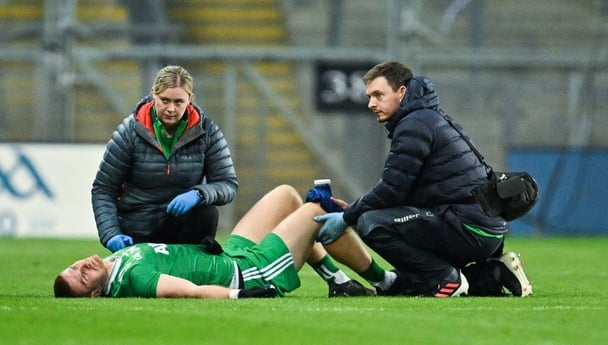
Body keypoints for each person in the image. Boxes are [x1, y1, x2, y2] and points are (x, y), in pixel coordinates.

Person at [314, 61, 533, 298]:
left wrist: (349, 216)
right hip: (485, 228)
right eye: (369, 96)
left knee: (371, 223)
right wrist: (355, 210)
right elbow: (407, 190)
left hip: (468, 226)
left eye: (378, 95)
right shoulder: (428, 117)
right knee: (407, 272)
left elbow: (392, 189)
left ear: (402, 92)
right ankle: (495, 272)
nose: (371, 103)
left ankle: (445, 279)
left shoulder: (414, 125)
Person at [54, 185, 397, 299]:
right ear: (97, 293)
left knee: (287, 195)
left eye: (74, 266)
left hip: (230, 253)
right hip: (250, 271)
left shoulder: (119, 259)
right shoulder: (135, 277)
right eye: (82, 277)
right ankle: (386, 280)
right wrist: (240, 295)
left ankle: (335, 281)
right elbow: (190, 291)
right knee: (316, 210)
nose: (82, 266)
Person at [91, 65, 238, 253]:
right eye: (165, 100)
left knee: (206, 212)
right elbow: (103, 188)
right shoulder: (128, 132)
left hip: (181, 230)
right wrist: (111, 234)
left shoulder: (208, 132)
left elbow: (228, 184)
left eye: (179, 102)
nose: (171, 108)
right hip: (136, 233)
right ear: (154, 94)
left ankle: (190, 267)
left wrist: (199, 194)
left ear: (190, 100)